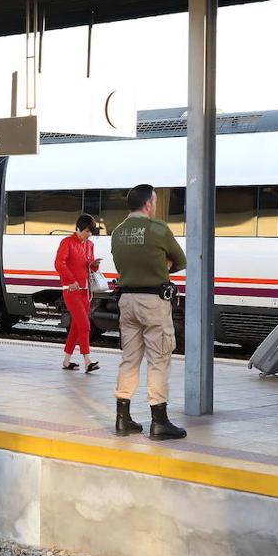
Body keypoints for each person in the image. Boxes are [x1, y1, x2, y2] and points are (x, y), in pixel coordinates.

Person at [110, 184, 187, 440]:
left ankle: (123, 419)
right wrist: (162, 268)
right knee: (159, 358)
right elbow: (181, 261)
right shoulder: (158, 229)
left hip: (127, 301)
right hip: (153, 302)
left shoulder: (118, 232)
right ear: (148, 204)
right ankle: (159, 421)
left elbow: (121, 264)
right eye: (154, 202)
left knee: (129, 358)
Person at [55, 214, 102, 373]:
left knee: (76, 327)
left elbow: (89, 267)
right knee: (85, 325)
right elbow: (59, 264)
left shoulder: (89, 245)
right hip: (72, 291)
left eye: (91, 232)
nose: (89, 235)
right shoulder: (67, 242)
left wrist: (94, 265)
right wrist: (70, 280)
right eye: (87, 231)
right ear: (79, 228)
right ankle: (87, 360)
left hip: (85, 291)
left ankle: (66, 361)